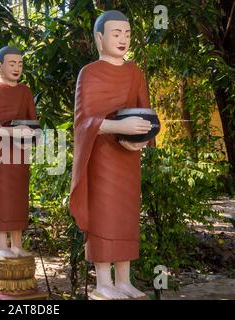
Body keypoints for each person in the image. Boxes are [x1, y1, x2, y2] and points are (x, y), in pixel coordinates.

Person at [69, 10, 153, 300]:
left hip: (128, 158)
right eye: (116, 34)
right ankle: (104, 282)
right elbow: (83, 122)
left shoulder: (135, 73)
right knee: (104, 217)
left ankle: (124, 280)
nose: (123, 39)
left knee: (126, 217)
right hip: (101, 156)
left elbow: (148, 116)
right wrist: (119, 126)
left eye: (127, 34)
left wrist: (140, 139)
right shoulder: (89, 73)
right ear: (99, 38)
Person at [0, 46, 38, 258]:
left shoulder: (25, 92)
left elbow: (34, 123)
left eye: (20, 64)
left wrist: (31, 133)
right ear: (0, 65)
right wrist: (11, 130)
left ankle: (17, 244)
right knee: (2, 198)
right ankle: (2, 245)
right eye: (12, 64)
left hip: (20, 154)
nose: (16, 68)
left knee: (19, 199)